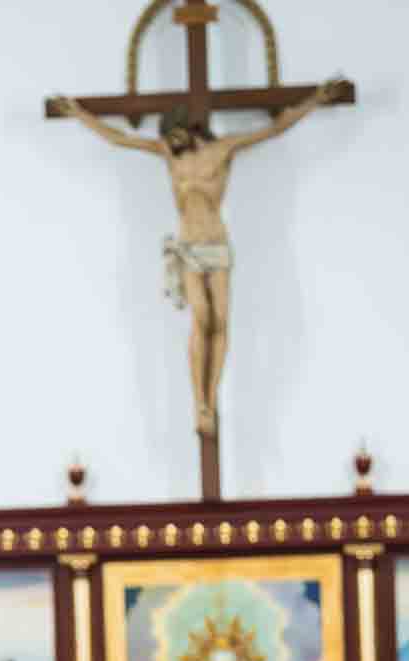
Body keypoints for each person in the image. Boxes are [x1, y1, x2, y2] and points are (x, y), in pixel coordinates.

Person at [52, 80, 345, 437]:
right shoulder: (167, 152)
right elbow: (119, 138)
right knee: (200, 318)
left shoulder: (222, 150)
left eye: (175, 137)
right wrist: (80, 114)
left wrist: (314, 100)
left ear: (188, 130)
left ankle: (213, 394)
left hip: (217, 244)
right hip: (188, 247)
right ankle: (200, 403)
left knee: (221, 321)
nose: (171, 146)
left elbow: (275, 128)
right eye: (168, 140)